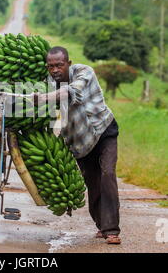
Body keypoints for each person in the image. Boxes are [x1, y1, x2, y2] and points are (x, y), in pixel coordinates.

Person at [34, 46, 121, 245]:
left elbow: (71, 91)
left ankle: (112, 230)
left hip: (103, 131)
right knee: (93, 184)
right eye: (50, 66)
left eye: (59, 65)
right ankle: (101, 225)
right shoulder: (48, 84)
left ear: (68, 64)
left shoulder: (84, 72)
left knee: (107, 173)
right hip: (80, 142)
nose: (55, 70)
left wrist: (46, 97)